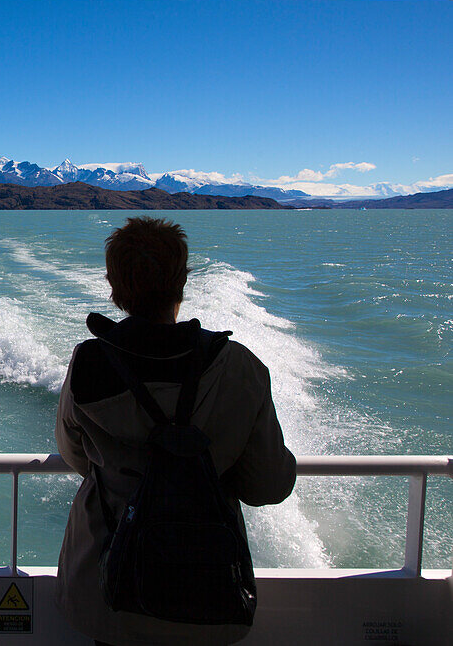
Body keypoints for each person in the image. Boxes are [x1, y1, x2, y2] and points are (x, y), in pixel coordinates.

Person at [55, 216, 296, 646]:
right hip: (210, 593)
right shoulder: (241, 368)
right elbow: (268, 485)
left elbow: (75, 455)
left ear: (113, 286)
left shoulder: (88, 365)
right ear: (183, 281)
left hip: (111, 596)